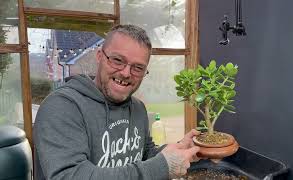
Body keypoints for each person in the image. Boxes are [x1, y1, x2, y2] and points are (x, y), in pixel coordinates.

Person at [33, 24, 201, 180]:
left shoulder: (137, 108)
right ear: (99, 56)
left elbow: (145, 153)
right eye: (118, 60)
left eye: (138, 67)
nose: (126, 73)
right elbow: (71, 176)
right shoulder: (62, 107)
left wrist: (178, 151)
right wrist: (162, 167)